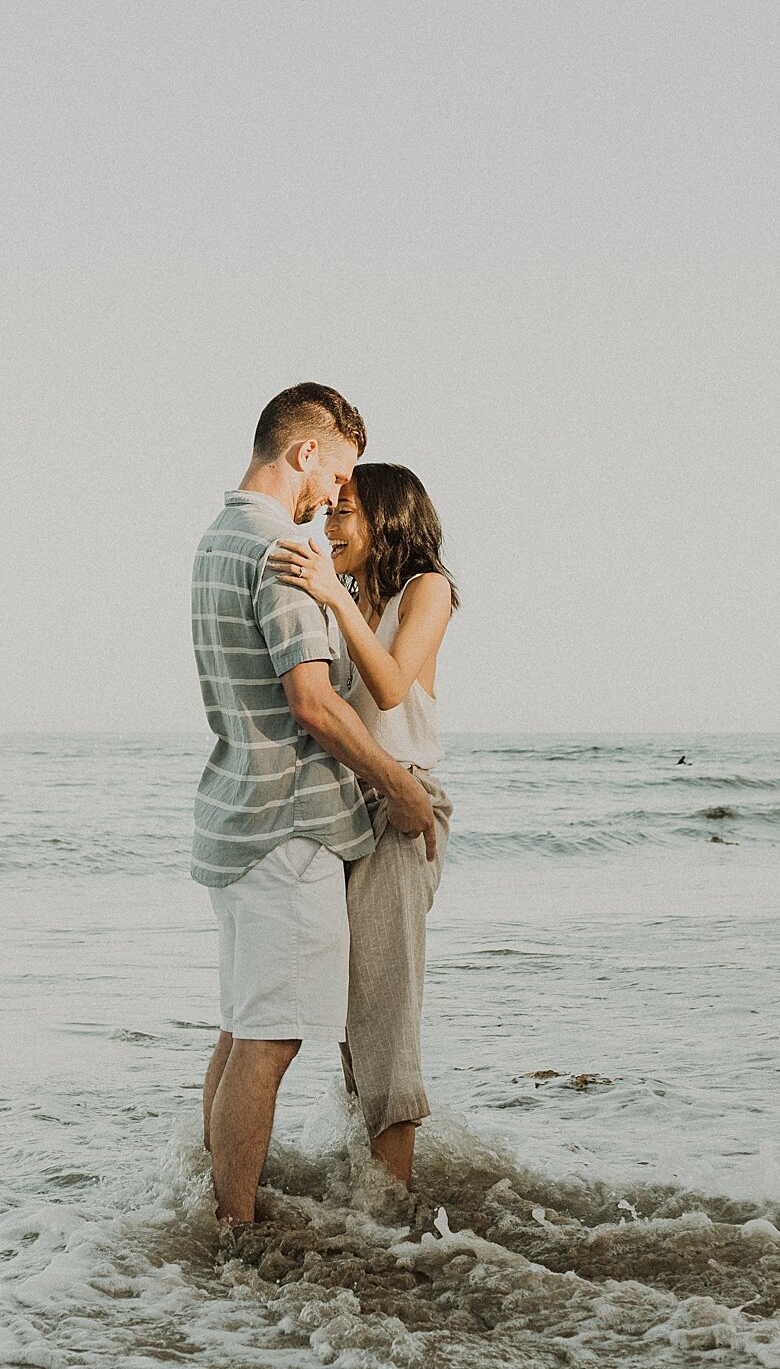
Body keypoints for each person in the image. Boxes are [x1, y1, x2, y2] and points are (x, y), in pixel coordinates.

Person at [192, 384, 437, 1227]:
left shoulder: (216, 540)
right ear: (304, 454)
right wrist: (400, 787)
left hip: (237, 822)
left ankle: (221, 1210)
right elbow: (315, 704)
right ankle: (236, 1231)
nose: (334, 498)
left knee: (242, 1028)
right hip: (289, 826)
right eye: (336, 473)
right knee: (271, 1039)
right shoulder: (282, 553)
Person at [267, 462, 457, 1190]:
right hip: (349, 811)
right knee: (351, 1016)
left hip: (405, 807)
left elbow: (389, 683)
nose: (328, 525)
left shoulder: (427, 589)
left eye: (343, 511)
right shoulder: (342, 597)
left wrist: (332, 600)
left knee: (384, 1009)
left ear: (387, 518)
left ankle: (395, 1218)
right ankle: (375, 1204)